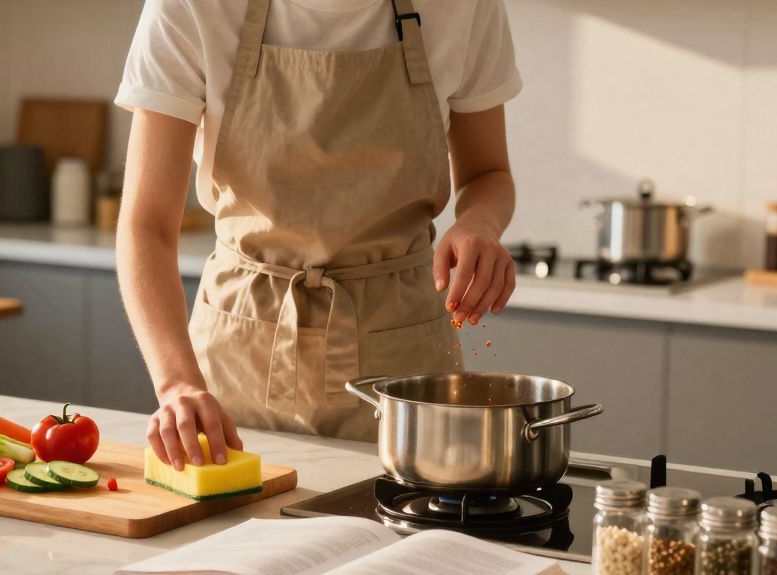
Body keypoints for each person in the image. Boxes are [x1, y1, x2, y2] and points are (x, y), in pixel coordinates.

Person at [116, 0, 520, 469]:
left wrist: (479, 223)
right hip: (236, 366)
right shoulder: (192, 6)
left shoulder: (463, 7)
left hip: (404, 372)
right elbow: (146, 224)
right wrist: (177, 384)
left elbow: (489, 173)